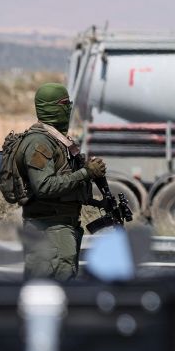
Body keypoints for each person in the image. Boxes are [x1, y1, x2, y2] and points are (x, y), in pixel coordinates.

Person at [20, 83, 107, 282]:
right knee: (52, 295)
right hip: (50, 231)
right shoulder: (39, 143)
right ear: (51, 107)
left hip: (61, 229)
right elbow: (43, 186)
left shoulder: (58, 140)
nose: (68, 109)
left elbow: (65, 184)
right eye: (64, 104)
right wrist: (85, 173)